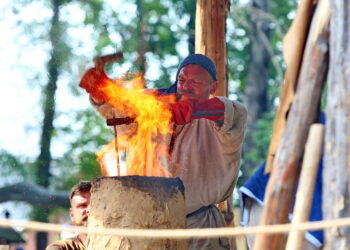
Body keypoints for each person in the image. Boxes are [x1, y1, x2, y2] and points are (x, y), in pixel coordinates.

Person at [79, 54, 247, 250]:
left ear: (213, 87)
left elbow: (230, 111)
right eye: (182, 80)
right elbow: (118, 106)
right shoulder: (153, 104)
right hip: (144, 227)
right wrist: (102, 92)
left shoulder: (225, 116)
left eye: (196, 82)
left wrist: (193, 108)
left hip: (197, 230)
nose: (186, 86)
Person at [46, 181, 91, 250]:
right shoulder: (60, 248)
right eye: (83, 205)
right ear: (72, 214)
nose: (89, 209)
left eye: (94, 204)